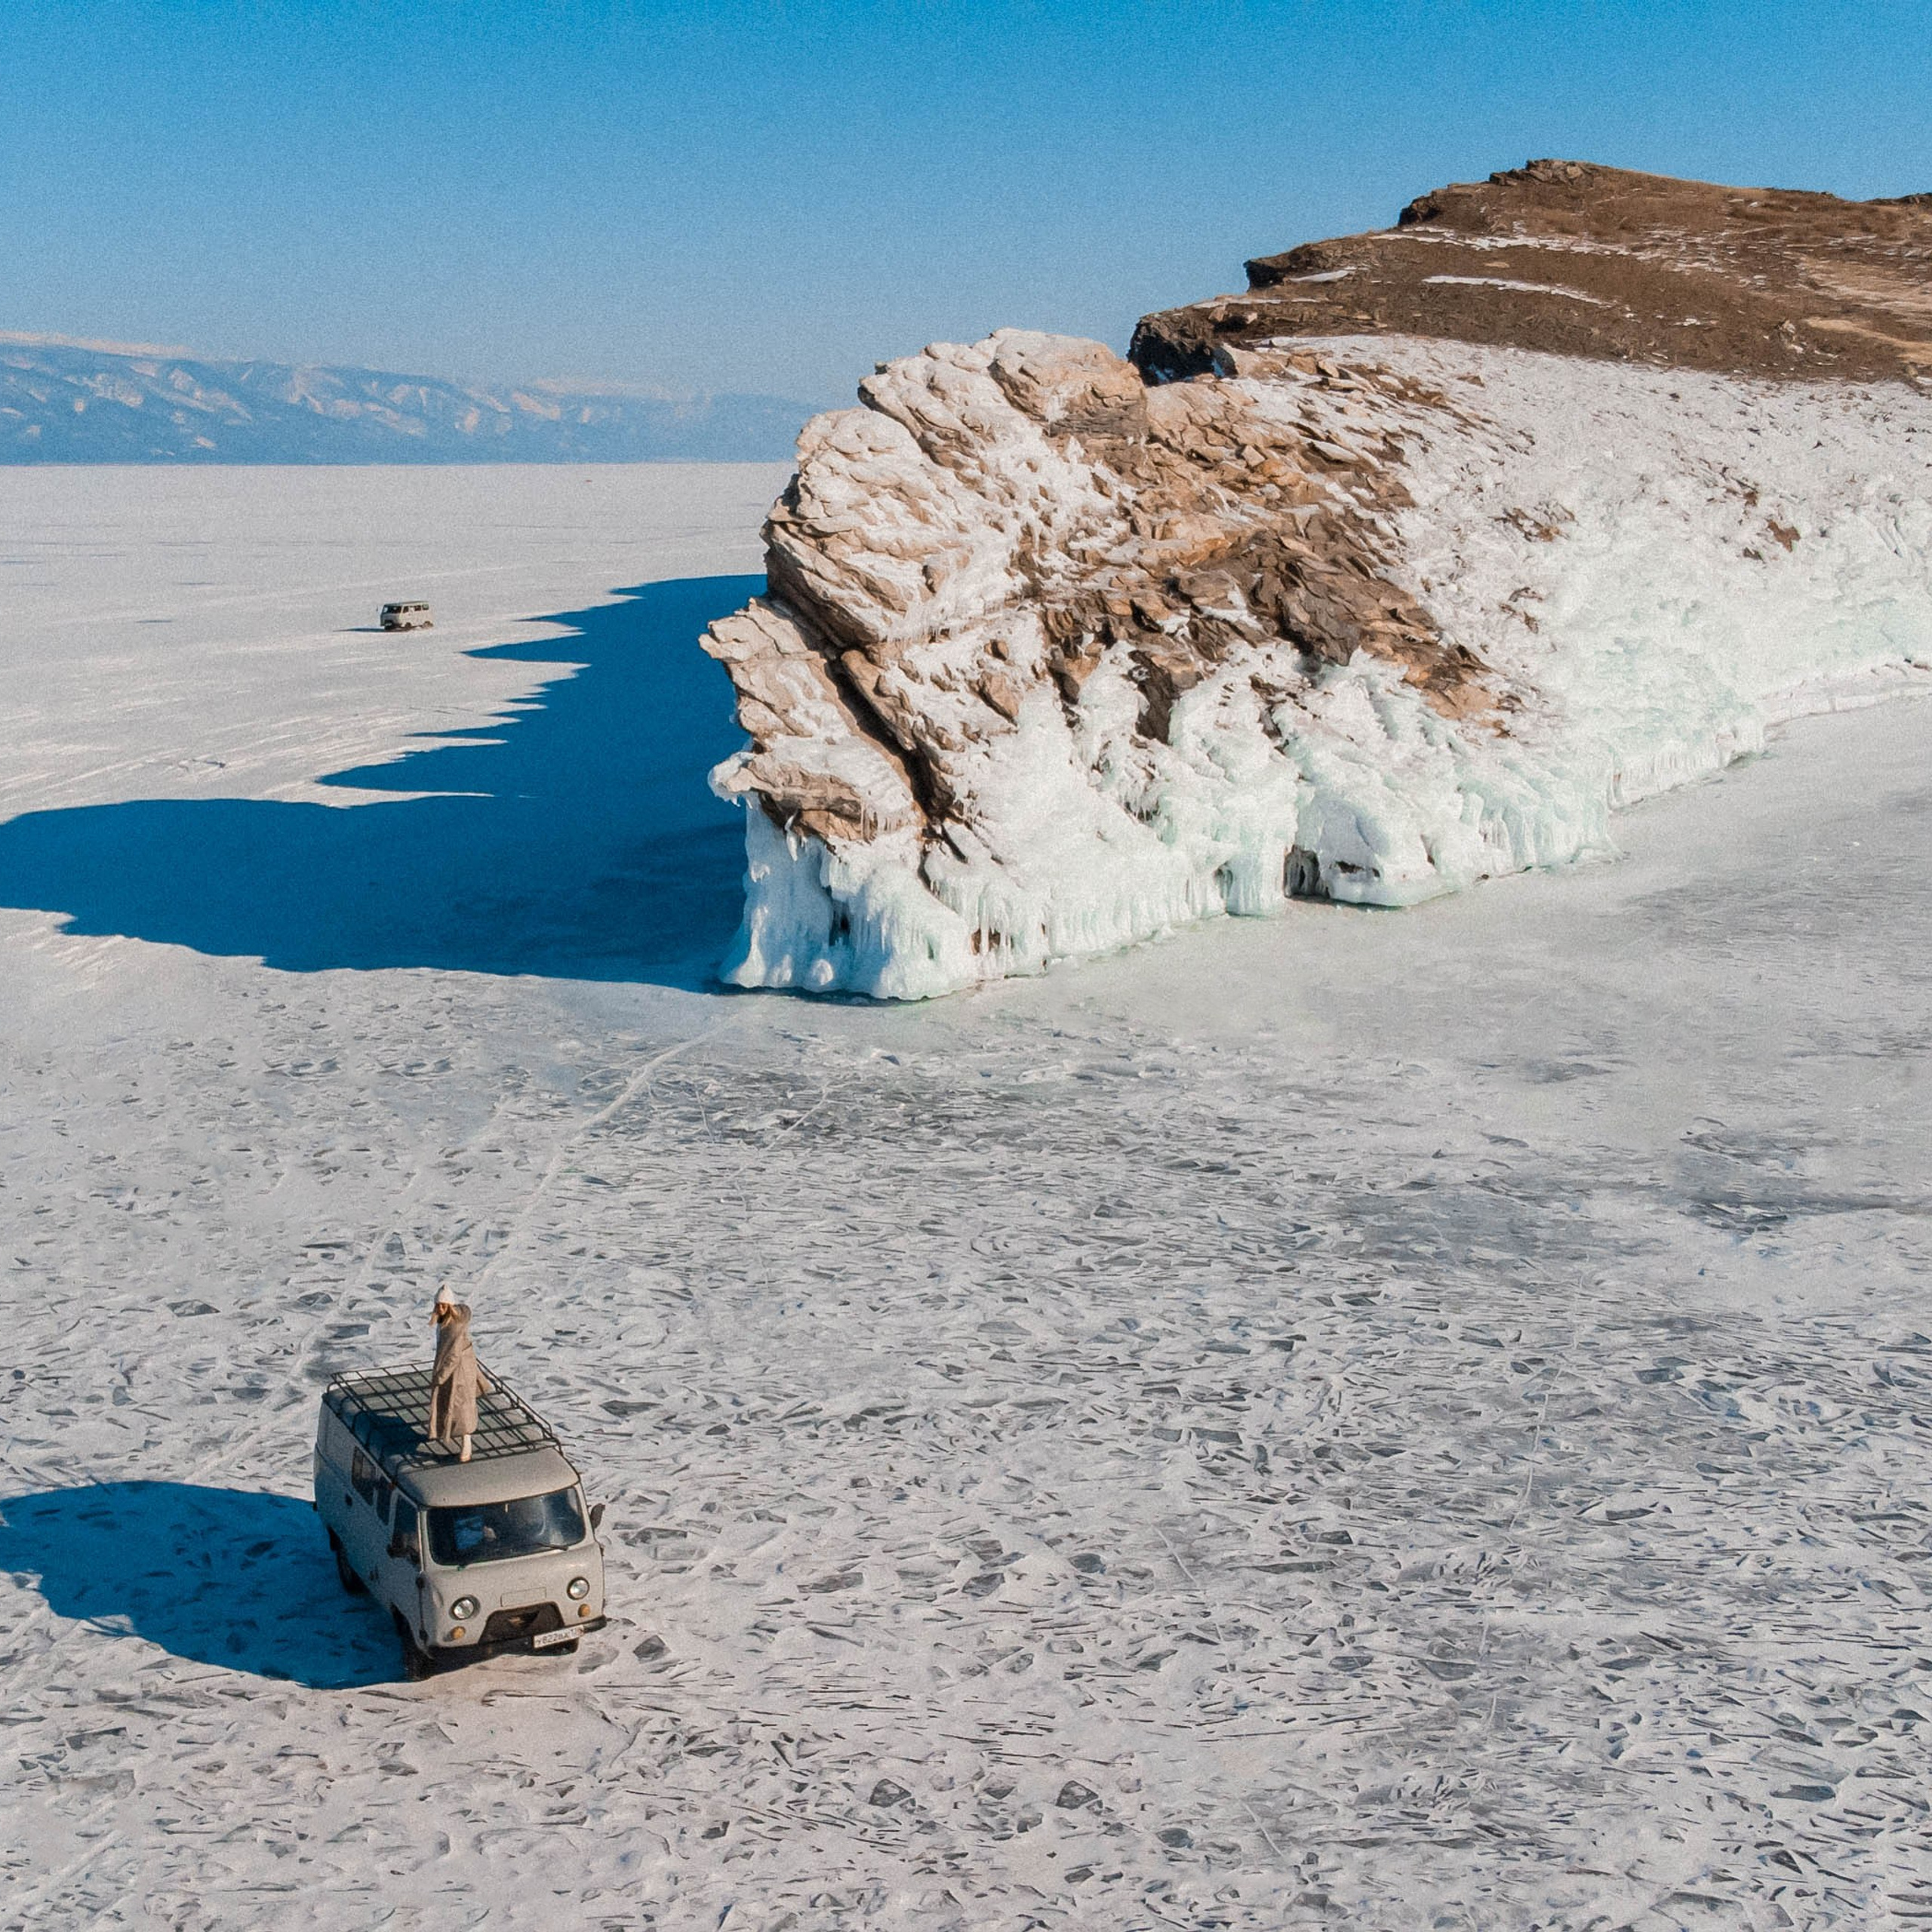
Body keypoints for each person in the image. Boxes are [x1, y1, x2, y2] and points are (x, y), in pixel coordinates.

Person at [428, 1286, 491, 1461]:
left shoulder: (453, 1328)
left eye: (444, 1305)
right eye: (438, 1305)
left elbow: (453, 1356)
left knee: (461, 1406)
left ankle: (466, 1444)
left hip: (459, 1372)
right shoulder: (445, 1323)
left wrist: (440, 1377)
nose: (440, 1308)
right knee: (458, 1404)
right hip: (459, 1368)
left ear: (450, 1306)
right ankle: (458, 1438)